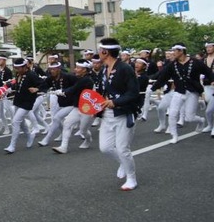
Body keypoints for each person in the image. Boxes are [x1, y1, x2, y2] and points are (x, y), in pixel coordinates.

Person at [96, 38, 140, 191]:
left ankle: (131, 178)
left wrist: (115, 102)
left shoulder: (125, 69)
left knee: (122, 149)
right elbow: (101, 92)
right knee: (105, 148)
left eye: (99, 50)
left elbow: (133, 93)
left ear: (105, 52)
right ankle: (123, 163)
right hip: (107, 114)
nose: (98, 52)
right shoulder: (103, 69)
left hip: (124, 113)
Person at [149, 43, 213, 144]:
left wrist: (212, 80)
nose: (173, 53)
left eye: (175, 51)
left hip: (192, 92)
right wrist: (152, 88)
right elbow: (163, 77)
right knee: (172, 114)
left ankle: (201, 121)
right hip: (178, 92)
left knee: (189, 117)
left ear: (181, 51)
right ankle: (174, 135)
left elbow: (208, 72)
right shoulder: (172, 65)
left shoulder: (195, 62)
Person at [52, 59, 95, 154]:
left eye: (78, 68)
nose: (75, 69)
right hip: (77, 107)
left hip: (87, 109)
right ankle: (63, 147)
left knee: (83, 130)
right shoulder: (79, 78)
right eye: (76, 67)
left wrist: (63, 91)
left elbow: (74, 89)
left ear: (84, 70)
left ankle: (88, 140)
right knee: (67, 123)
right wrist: (62, 91)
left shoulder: (87, 80)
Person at [1, 58, 41, 154]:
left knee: (15, 122)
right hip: (18, 100)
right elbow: (18, 85)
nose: (16, 70)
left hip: (27, 102)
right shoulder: (19, 74)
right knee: (21, 122)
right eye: (16, 68)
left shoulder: (32, 75)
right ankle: (29, 136)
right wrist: (9, 89)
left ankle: (12, 146)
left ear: (24, 67)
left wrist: (36, 89)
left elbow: (43, 84)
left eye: (18, 68)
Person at [37, 61, 77, 147]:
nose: (52, 71)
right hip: (61, 102)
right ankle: (62, 134)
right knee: (56, 118)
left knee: (56, 118)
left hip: (71, 103)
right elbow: (44, 85)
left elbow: (77, 86)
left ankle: (47, 139)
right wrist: (37, 89)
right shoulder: (50, 78)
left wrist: (66, 91)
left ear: (59, 69)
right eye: (50, 69)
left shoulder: (68, 76)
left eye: (54, 69)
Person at [0, 55, 14, 134]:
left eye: (0, 59)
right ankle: (3, 125)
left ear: (4, 61)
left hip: (4, 93)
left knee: (7, 109)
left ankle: (12, 124)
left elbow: (9, 84)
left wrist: (4, 92)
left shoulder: (8, 71)